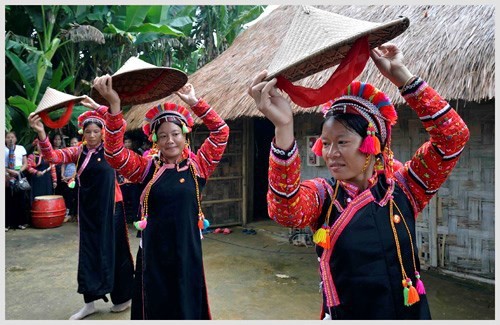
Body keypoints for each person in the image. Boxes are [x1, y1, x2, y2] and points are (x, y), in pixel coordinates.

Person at [248, 43, 470, 320]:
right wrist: (283, 128)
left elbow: (453, 138)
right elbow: (285, 211)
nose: (331, 153)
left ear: (372, 143)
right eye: (325, 143)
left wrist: (402, 76)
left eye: (342, 142)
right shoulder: (324, 196)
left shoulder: (403, 187)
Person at [89, 74, 229, 320]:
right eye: (162, 136)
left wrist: (196, 103)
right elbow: (114, 153)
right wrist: (114, 108)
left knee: (187, 302)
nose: (170, 140)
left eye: (175, 133)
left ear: (185, 136)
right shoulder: (145, 169)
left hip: (187, 250)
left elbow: (220, 132)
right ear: (154, 140)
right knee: (156, 306)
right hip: (154, 253)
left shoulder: (199, 166)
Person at [28, 104, 134, 320]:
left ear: (103, 132)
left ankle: (123, 297)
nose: (93, 135)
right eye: (88, 131)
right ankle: (89, 303)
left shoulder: (112, 149)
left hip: (113, 208)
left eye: (97, 131)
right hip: (89, 213)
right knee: (89, 253)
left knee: (117, 251)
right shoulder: (77, 153)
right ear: (83, 134)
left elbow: (120, 124)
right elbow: (53, 157)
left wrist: (98, 107)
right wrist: (41, 132)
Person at [5, 131, 29, 231]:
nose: (10, 139)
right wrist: (9, 171)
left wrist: (18, 171)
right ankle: (7, 223)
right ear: (5, 139)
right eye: (8, 137)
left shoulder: (21, 148)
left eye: (12, 137)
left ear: (16, 139)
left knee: (21, 199)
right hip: (6, 175)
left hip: (19, 174)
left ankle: (21, 222)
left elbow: (25, 163)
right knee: (8, 199)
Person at [26, 139, 57, 204]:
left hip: (47, 180)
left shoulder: (49, 157)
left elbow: (52, 168)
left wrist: (54, 181)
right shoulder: (32, 156)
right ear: (36, 146)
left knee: (47, 197)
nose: (42, 147)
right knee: (37, 197)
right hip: (36, 180)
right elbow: (28, 167)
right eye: (40, 145)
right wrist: (36, 172)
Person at [60, 137, 79, 222]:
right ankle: (68, 214)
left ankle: (76, 214)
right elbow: (63, 165)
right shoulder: (68, 153)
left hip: (75, 178)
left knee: (76, 196)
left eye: (75, 143)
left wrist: (71, 177)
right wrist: (62, 175)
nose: (73, 145)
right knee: (67, 196)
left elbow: (78, 168)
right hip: (66, 179)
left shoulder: (80, 152)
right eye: (72, 143)